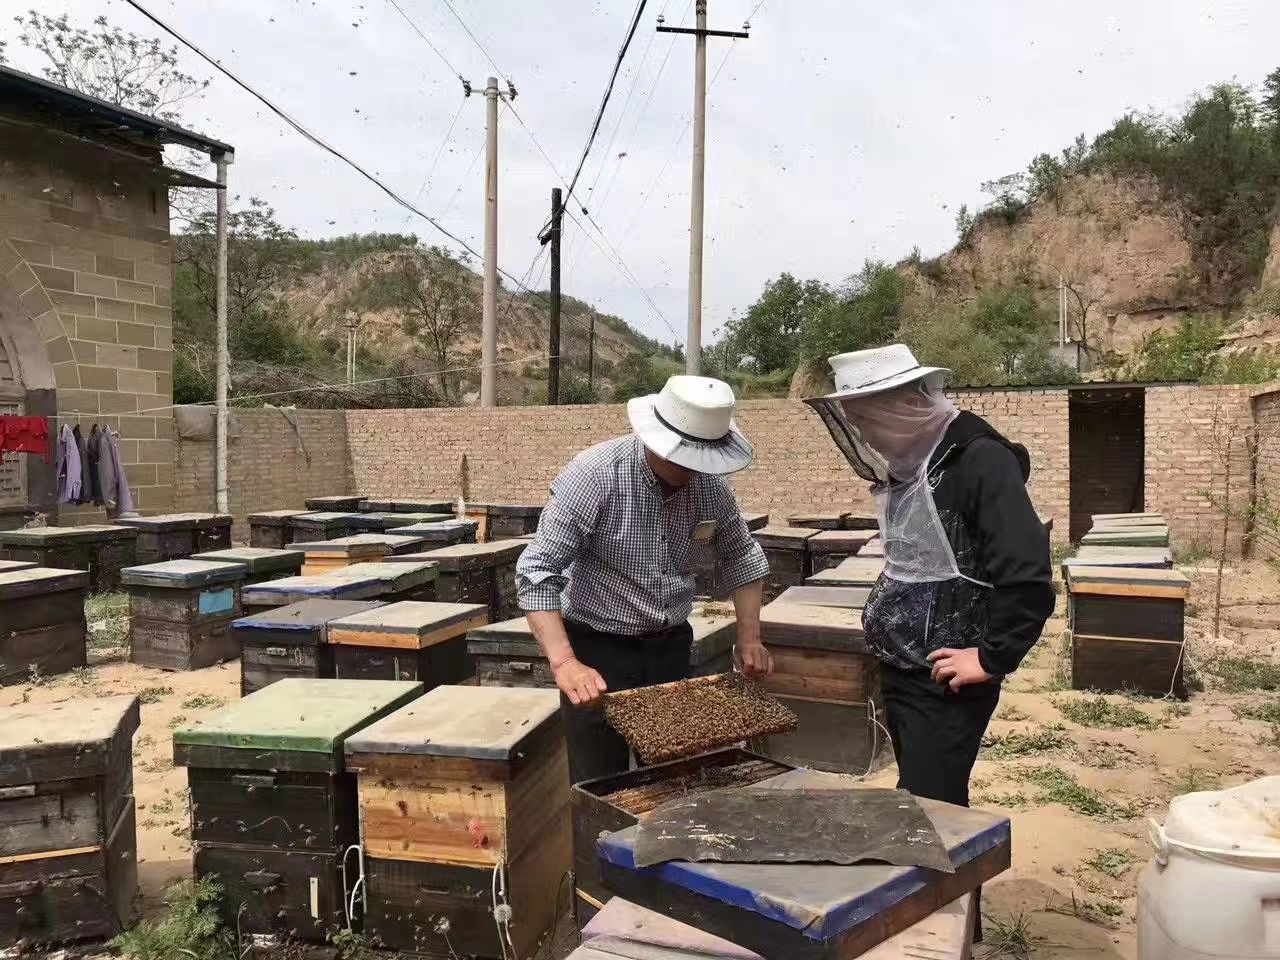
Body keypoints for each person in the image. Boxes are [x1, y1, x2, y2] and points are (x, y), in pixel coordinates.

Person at [805, 344, 1054, 808]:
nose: (865, 434)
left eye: (867, 420)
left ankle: (946, 876)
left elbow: (1027, 570)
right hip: (906, 665)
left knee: (934, 803)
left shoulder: (980, 459)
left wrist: (992, 658)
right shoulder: (922, 460)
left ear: (903, 405)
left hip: (945, 677)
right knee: (919, 790)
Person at [516, 375, 774, 784]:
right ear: (655, 439)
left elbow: (742, 555)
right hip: (597, 650)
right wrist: (565, 663)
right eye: (683, 458)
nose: (692, 471)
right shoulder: (595, 476)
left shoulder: (711, 489)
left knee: (675, 780)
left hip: (669, 648)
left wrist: (749, 637)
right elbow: (537, 571)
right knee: (601, 786)